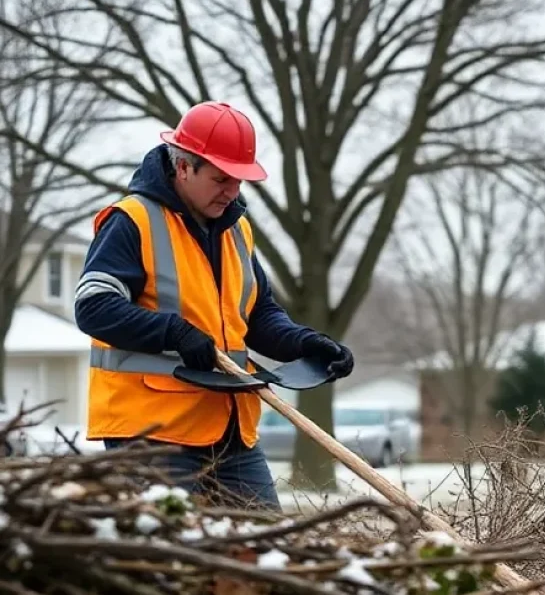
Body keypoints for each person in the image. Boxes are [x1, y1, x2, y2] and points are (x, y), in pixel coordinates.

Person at [74, 101, 354, 510]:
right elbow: (93, 307)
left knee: (267, 553)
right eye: (222, 179)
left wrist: (305, 344)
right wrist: (174, 333)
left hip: (232, 433)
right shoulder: (132, 220)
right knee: (169, 561)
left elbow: (258, 316)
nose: (233, 192)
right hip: (153, 435)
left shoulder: (236, 229)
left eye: (239, 181)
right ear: (184, 167)